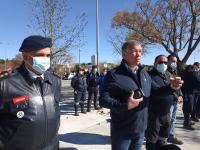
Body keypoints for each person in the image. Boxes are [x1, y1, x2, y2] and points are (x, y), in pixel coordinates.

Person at [100, 41, 183, 150]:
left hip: (141, 130)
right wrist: (125, 105)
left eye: (140, 51)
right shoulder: (114, 74)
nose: (139, 54)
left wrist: (171, 88)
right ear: (124, 54)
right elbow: (103, 100)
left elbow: (156, 91)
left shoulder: (144, 74)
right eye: (134, 51)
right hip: (122, 131)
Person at [0, 35, 61, 150]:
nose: (46, 59)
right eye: (40, 55)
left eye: (48, 55)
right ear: (25, 56)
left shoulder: (55, 81)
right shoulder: (5, 84)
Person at [146, 55, 184, 150]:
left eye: (165, 62)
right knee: (152, 141)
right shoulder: (148, 75)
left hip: (166, 114)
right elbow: (157, 91)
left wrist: (178, 93)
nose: (163, 64)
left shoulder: (168, 75)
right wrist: (171, 87)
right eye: (160, 62)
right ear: (155, 63)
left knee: (162, 141)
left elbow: (173, 89)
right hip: (154, 115)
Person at [166, 54, 183, 145]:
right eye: (172, 61)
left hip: (175, 100)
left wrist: (180, 95)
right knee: (167, 119)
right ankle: (165, 137)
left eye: (175, 62)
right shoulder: (165, 72)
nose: (174, 63)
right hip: (169, 100)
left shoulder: (175, 72)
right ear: (168, 61)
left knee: (173, 119)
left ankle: (171, 136)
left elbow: (178, 87)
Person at [181, 64, 200, 130]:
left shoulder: (183, 73)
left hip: (185, 92)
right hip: (190, 93)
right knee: (189, 108)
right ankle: (186, 123)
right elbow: (198, 81)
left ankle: (187, 121)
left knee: (186, 108)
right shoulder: (193, 73)